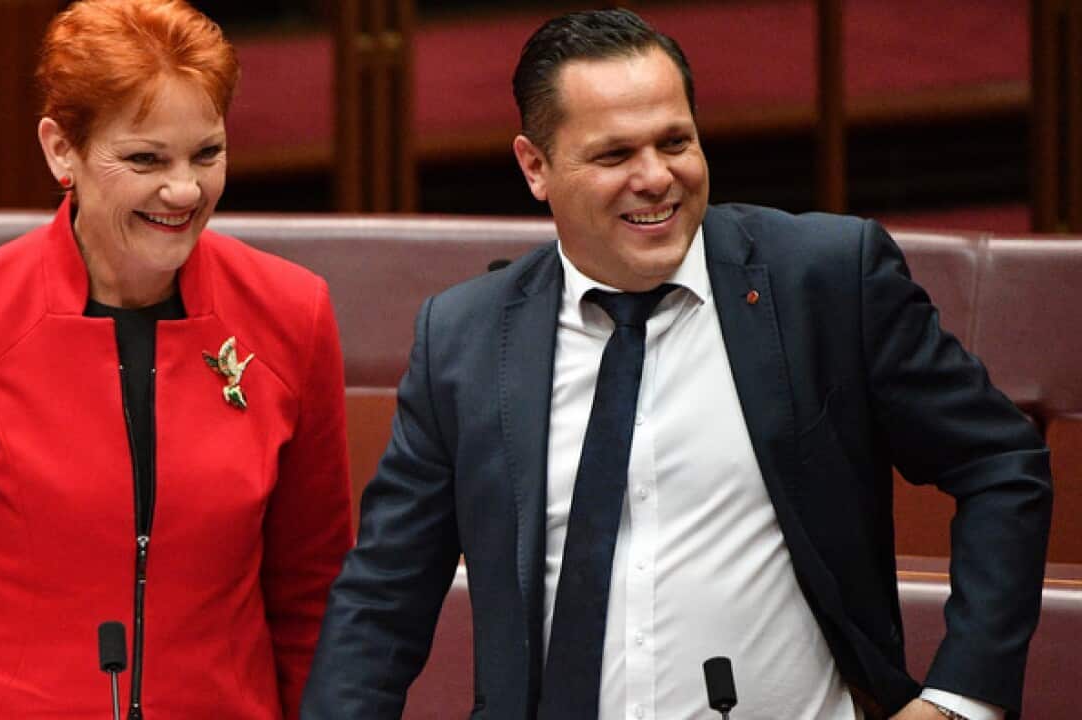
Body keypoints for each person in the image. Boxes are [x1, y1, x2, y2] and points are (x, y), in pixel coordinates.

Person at [301, 8, 1050, 720]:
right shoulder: (464, 339)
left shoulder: (823, 282)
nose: (656, 177)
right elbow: (383, 598)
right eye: (615, 154)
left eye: (675, 142)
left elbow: (1000, 461)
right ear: (535, 167)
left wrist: (958, 698)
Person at [0, 1, 351, 717]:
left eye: (207, 154)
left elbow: (312, 596)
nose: (184, 190)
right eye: (146, 159)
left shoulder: (291, 315)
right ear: (62, 150)